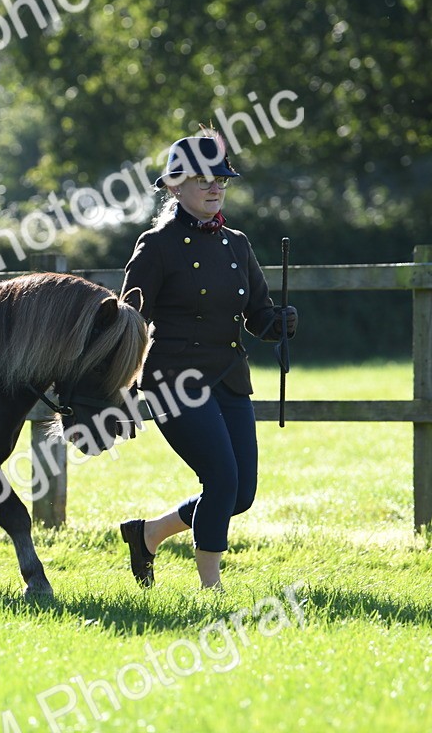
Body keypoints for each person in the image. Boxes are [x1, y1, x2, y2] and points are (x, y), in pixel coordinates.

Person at [118, 130, 297, 590]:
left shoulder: (237, 244)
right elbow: (129, 321)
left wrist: (278, 322)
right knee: (220, 477)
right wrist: (118, 387)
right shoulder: (155, 245)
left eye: (221, 178)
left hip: (229, 377)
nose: (216, 187)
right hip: (173, 381)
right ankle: (211, 587)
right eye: (203, 179)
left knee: (240, 494)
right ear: (175, 186)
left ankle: (149, 533)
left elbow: (257, 316)